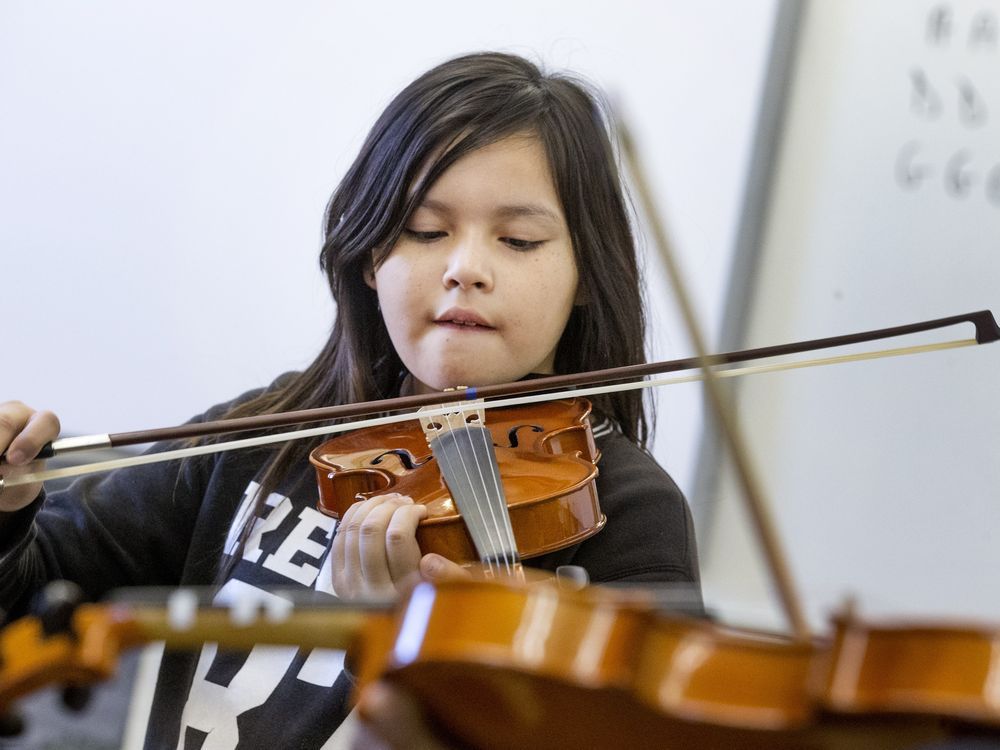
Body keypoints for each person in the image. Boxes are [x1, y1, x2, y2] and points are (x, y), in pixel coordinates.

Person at [0, 52, 700, 749]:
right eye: (427, 231)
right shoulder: (269, 431)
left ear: (586, 272)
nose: (465, 270)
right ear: (371, 256)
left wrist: (415, 650)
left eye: (518, 240)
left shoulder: (624, 511)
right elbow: (36, 604)